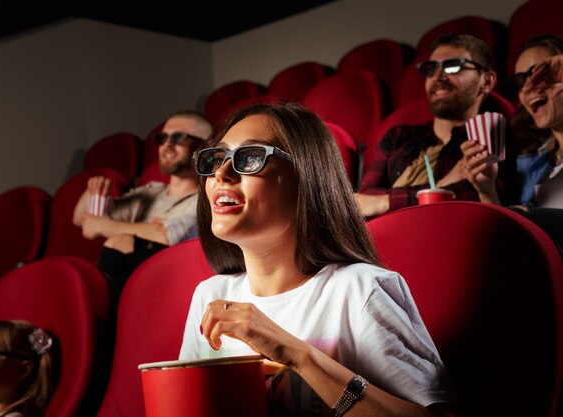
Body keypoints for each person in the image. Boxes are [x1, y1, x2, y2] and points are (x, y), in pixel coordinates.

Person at [179, 102, 458, 417]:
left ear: (308, 177)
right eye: (217, 157)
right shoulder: (210, 295)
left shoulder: (359, 290)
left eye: (251, 158)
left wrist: (298, 355)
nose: (221, 173)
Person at [355, 33, 514, 218]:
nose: (438, 76)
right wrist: (443, 185)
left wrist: (383, 202)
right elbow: (363, 200)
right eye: (431, 68)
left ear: (486, 81)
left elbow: (473, 200)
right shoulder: (397, 135)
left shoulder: (490, 137)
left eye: (453, 66)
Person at [72, 110, 213, 295]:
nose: (166, 145)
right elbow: (81, 220)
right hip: (130, 282)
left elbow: (166, 235)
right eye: (162, 138)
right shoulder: (152, 191)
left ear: (204, 148)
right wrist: (93, 189)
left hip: (170, 285)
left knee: (119, 241)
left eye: (178, 138)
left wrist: (106, 226)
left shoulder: (208, 198)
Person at [461, 34, 563, 252]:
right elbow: (509, 242)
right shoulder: (531, 163)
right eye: (520, 80)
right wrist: (487, 189)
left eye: (539, 74)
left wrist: (527, 218)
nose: (528, 87)